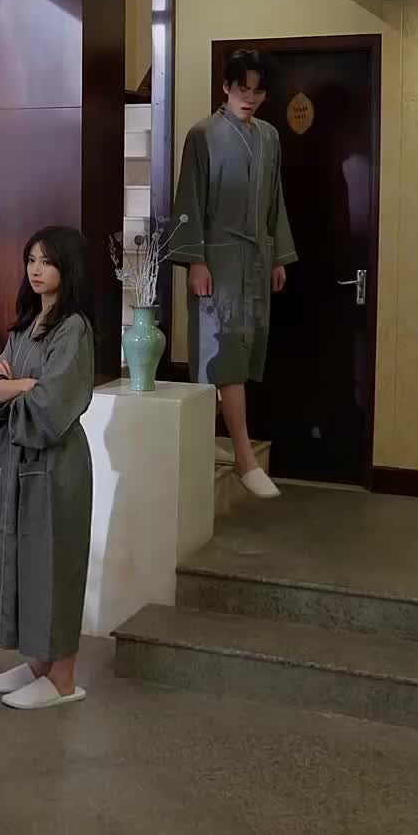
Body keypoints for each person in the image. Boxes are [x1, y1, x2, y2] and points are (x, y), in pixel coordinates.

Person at [0, 226, 96, 711]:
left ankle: (62, 677)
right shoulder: (24, 326)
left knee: (55, 563)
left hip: (57, 466)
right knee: (23, 559)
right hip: (20, 464)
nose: (36, 270)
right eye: (31, 260)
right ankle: (39, 664)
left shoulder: (74, 328)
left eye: (46, 261)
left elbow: (53, 403)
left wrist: (14, 387)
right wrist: (19, 386)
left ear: (68, 267)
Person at [172, 46, 297, 498]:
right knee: (220, 355)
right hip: (217, 262)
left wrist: (278, 256)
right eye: (242, 88)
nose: (250, 98)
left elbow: (274, 198)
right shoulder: (202, 135)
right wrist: (196, 261)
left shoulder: (269, 137)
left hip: (255, 260)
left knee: (241, 353)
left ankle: (206, 445)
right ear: (226, 86)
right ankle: (244, 458)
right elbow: (189, 200)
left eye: (258, 91)